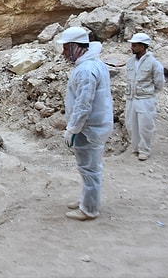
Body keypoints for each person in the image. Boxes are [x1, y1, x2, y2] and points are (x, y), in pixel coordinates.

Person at [56, 27, 114, 221]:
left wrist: (72, 129)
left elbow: (83, 104)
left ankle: (89, 208)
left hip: (89, 128)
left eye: (65, 49)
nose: (63, 54)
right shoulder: (94, 64)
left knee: (89, 168)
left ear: (74, 47)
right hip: (94, 126)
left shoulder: (86, 70)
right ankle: (86, 200)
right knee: (89, 168)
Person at [125, 33, 165, 161]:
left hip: (145, 99)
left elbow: (159, 82)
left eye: (135, 45)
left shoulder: (154, 63)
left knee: (145, 125)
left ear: (143, 47)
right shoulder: (130, 61)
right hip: (131, 98)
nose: (132, 47)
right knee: (131, 124)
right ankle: (135, 147)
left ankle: (144, 149)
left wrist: (150, 92)